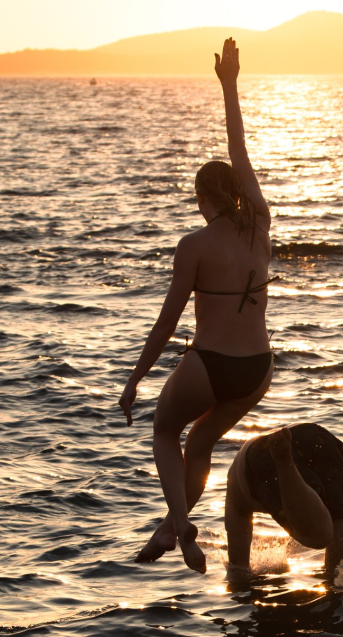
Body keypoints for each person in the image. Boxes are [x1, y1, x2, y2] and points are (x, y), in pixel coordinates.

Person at [118, 38, 275, 573]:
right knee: (202, 440)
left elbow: (166, 323)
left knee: (166, 429)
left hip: (212, 365)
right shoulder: (260, 221)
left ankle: (180, 523)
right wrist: (229, 85)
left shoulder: (194, 246)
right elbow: (240, 149)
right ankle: (174, 529)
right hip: (258, 370)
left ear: (204, 199)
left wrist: (135, 378)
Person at [225, 423, 343, 575]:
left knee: (320, 536)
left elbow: (239, 568)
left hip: (262, 456)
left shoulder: (234, 496)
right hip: (319, 437)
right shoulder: (236, 484)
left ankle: (285, 463)